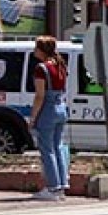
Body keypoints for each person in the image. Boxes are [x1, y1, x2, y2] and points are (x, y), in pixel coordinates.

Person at [29, 35, 70, 201]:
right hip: (61, 107)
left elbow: (40, 95)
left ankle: (52, 187)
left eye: (36, 47)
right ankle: (61, 185)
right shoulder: (60, 65)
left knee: (47, 149)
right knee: (57, 146)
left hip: (48, 109)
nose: (34, 50)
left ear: (42, 50)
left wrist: (32, 118)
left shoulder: (41, 68)